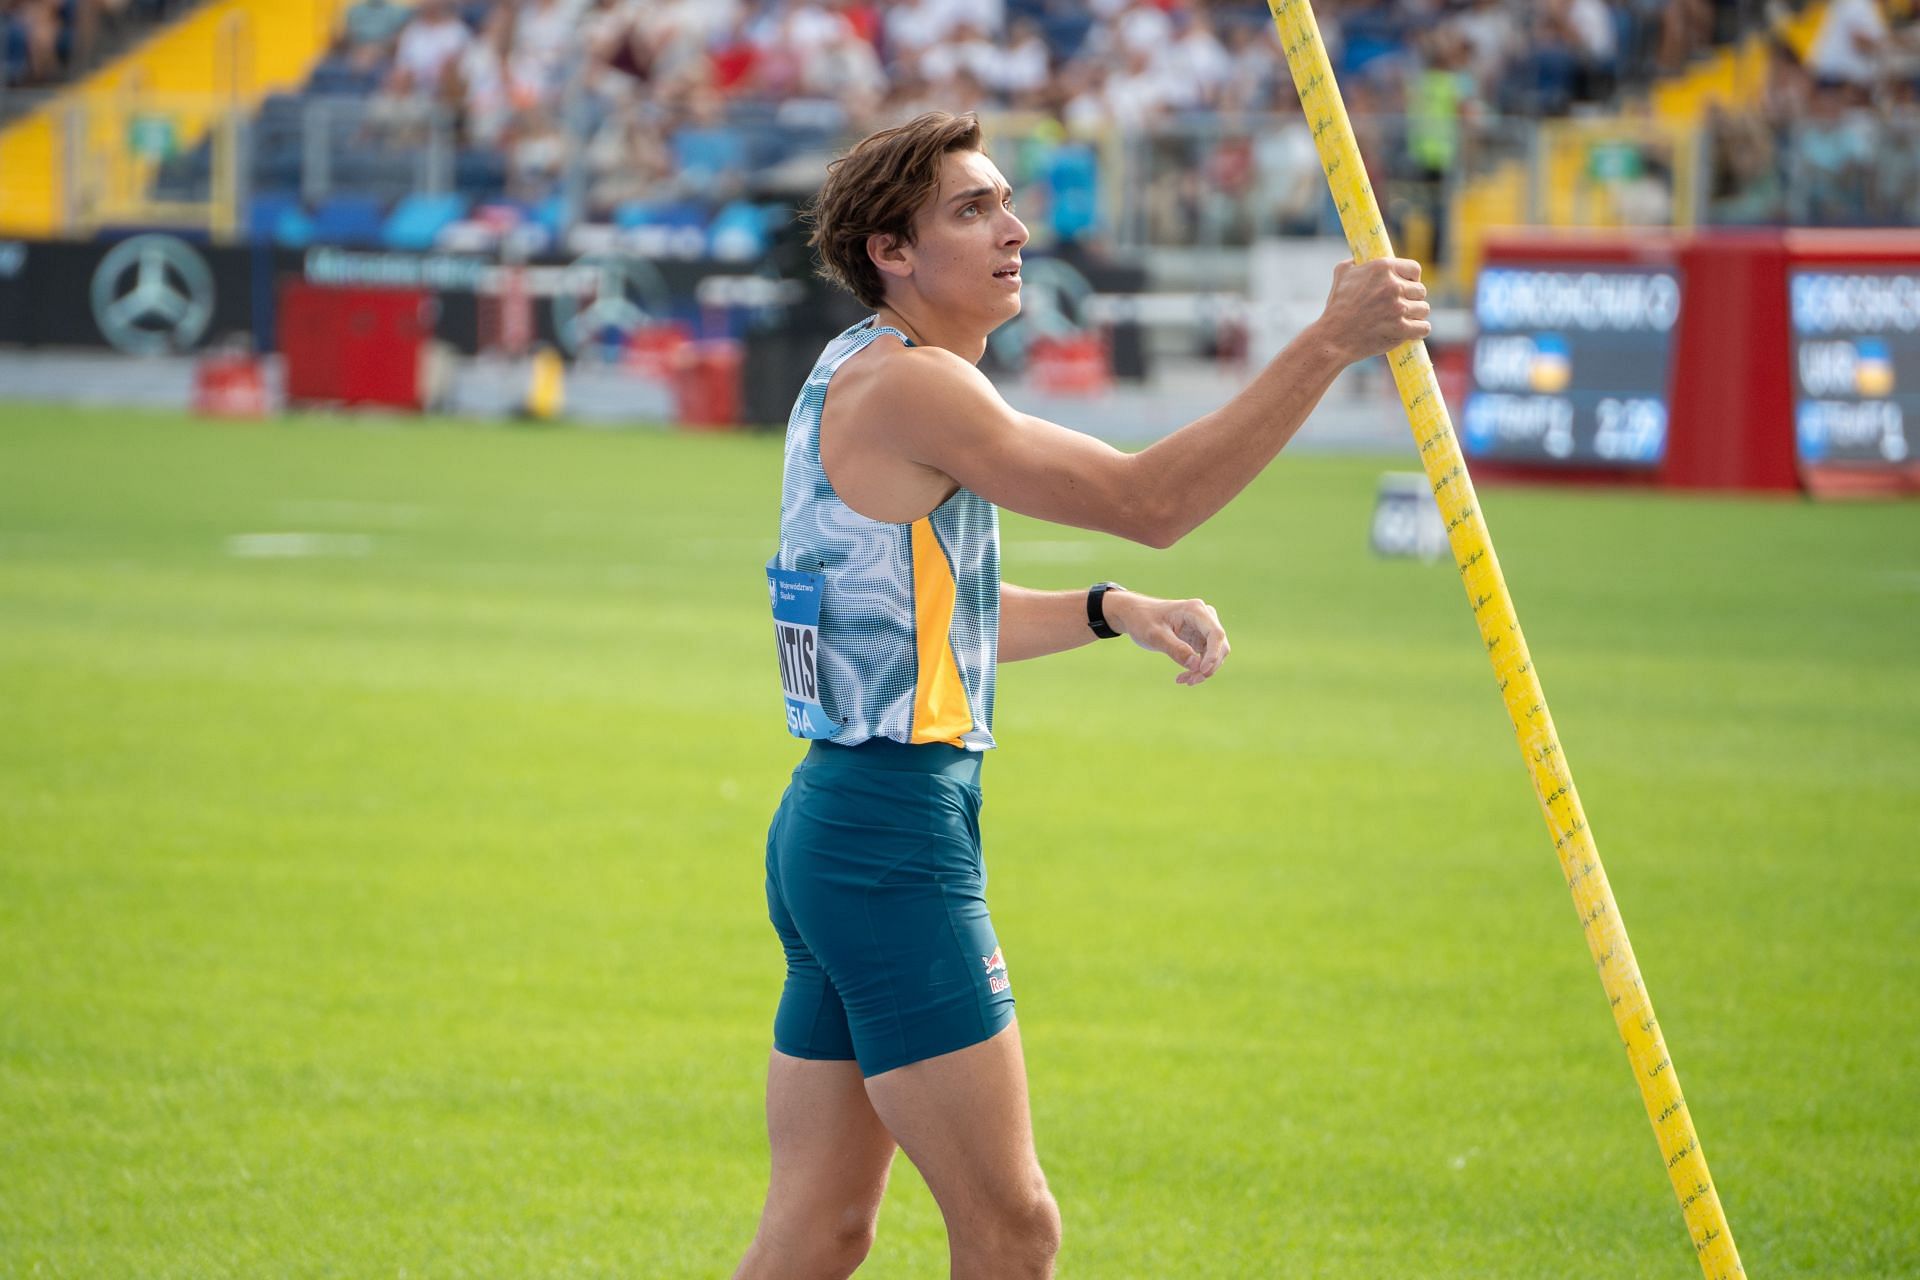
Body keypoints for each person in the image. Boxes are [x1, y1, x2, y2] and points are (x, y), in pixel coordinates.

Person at [736, 110, 1428, 1280]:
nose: (1014, 230)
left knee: (820, 1233)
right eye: (972, 210)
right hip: (890, 837)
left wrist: (1114, 610)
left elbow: (921, 635)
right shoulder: (918, 391)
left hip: (837, 824)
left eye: (1006, 202)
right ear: (892, 253)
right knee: (1013, 1231)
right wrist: (1326, 345)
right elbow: (1153, 497)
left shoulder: (859, 370)